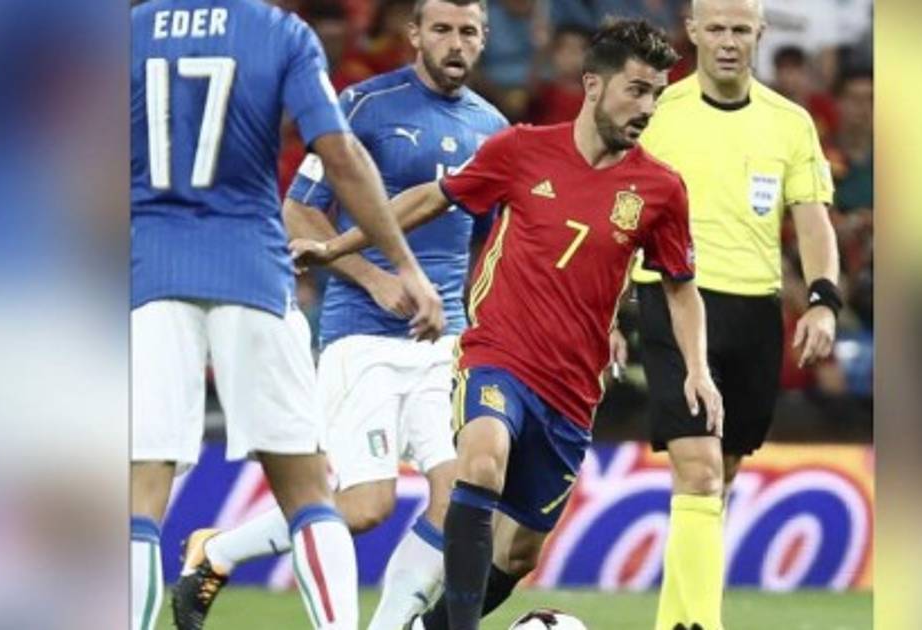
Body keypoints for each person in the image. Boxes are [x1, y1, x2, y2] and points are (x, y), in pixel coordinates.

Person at [294, 18, 723, 630]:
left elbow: (680, 287)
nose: (648, 108)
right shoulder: (521, 148)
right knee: (481, 461)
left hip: (572, 387)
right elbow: (429, 198)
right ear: (593, 85)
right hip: (497, 354)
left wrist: (698, 370)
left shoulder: (661, 188)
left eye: (656, 93)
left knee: (519, 553)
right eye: (636, 90)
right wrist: (336, 247)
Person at [169, 1, 505, 629]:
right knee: (368, 505)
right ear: (414, 34)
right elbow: (298, 212)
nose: (455, 43)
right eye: (441, 29)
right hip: (361, 337)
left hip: (447, 342)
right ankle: (218, 550)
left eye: (468, 31)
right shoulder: (365, 106)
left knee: (459, 500)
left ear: (484, 39)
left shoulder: (494, 128)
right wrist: (376, 279)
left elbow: (496, 241)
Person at [628, 1, 840, 628]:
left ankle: (675, 621)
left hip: (754, 312)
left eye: (740, 30)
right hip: (672, 299)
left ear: (760, 34)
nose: (727, 41)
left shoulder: (790, 122)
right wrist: (606, 308)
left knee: (715, 478)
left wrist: (823, 300)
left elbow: (812, 220)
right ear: (692, 31)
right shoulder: (657, 112)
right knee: (697, 470)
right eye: (715, 28)